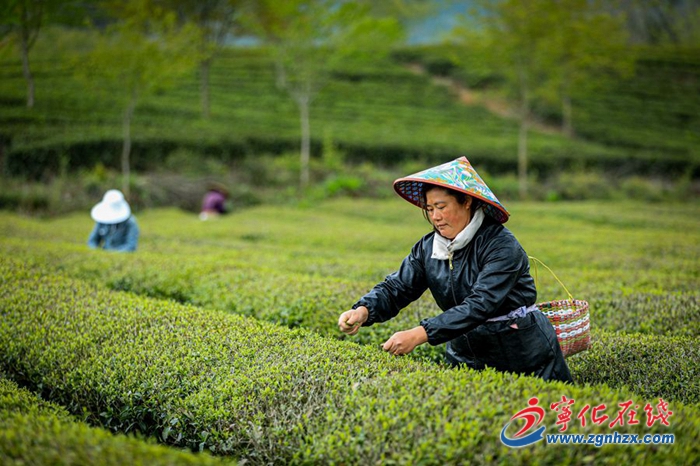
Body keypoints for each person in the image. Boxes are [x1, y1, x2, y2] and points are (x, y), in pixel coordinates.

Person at [338, 157, 573, 383]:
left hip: (522, 355)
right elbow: (397, 287)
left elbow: (480, 304)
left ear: (467, 201)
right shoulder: (428, 248)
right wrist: (364, 310)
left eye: (441, 207)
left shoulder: (501, 245)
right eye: (430, 209)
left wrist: (420, 334)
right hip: (464, 353)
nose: (435, 217)